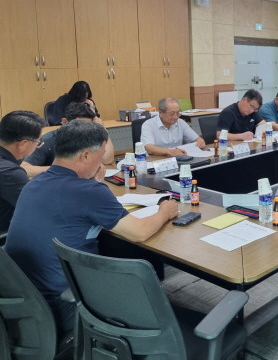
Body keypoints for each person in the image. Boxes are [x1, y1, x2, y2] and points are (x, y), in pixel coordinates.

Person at [5, 120, 179, 337]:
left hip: (25, 300)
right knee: (144, 287)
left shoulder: (33, 184)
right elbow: (139, 232)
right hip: (63, 305)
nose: (102, 162)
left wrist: (94, 184)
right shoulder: (88, 191)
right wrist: (165, 212)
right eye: (101, 156)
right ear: (86, 156)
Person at [22, 102, 115, 177]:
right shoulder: (48, 140)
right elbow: (25, 168)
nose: (84, 130)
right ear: (65, 122)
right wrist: (64, 170)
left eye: (88, 126)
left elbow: (107, 160)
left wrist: (103, 129)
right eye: (79, 126)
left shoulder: (88, 135)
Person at [0, 111, 46, 233]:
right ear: (23, 144)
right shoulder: (10, 173)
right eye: (38, 142)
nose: (38, 145)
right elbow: (39, 210)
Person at [141, 97, 206, 156]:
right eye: (172, 114)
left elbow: (197, 139)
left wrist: (200, 141)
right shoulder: (148, 125)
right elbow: (149, 148)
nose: (175, 117)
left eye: (178, 113)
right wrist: (170, 152)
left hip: (179, 158)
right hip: (156, 160)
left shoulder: (181, 122)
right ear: (160, 112)